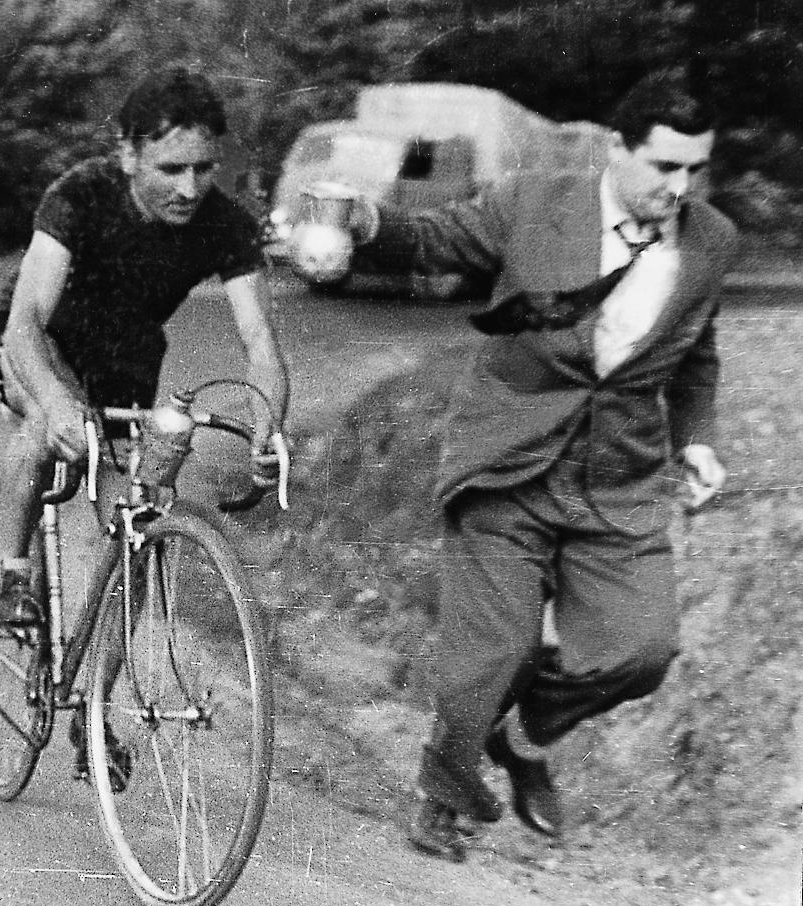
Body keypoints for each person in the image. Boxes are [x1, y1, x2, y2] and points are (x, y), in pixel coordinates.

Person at [301, 70, 738, 861]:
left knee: (641, 652)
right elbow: (430, 239)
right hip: (509, 464)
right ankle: (444, 792)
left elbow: (695, 353)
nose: (679, 188)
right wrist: (362, 219)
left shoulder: (711, 242)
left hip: (618, 480)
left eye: (694, 170)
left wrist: (697, 439)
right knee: (492, 655)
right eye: (664, 166)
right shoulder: (533, 204)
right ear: (617, 148)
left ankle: (525, 741)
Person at [0, 66, 290, 775]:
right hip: (40, 343)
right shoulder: (79, 195)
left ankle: (93, 708)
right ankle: (11, 576)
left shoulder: (225, 223)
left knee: (136, 528)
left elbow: (260, 340)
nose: (189, 188)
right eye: (170, 169)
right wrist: (57, 403)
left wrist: (269, 424)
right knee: (44, 430)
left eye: (204, 168)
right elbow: (25, 322)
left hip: (127, 357)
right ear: (127, 154)